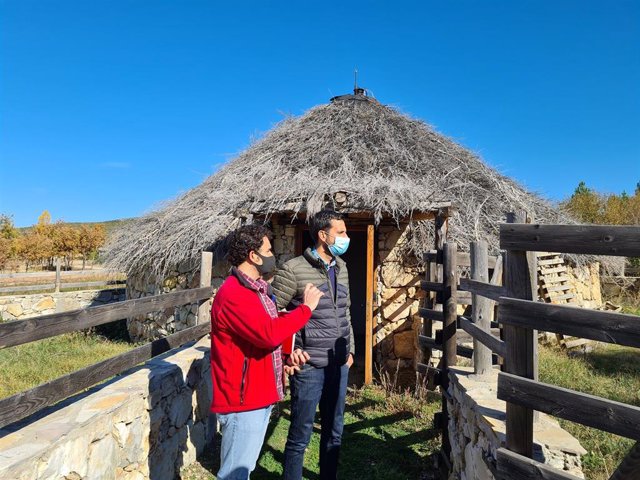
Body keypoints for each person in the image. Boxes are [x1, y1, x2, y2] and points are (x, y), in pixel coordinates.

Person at [209, 224, 323, 480]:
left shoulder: (256, 291)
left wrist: (285, 358)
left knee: (244, 470)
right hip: (242, 402)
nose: (273, 255)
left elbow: (260, 336)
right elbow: (268, 333)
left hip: (258, 396)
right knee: (234, 475)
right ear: (253, 255)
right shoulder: (234, 294)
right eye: (268, 250)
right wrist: (306, 309)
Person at [272, 210, 354, 480]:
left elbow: (346, 312)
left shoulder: (341, 268)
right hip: (308, 368)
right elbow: (273, 315)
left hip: (338, 364)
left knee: (334, 431)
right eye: (340, 232)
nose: (345, 237)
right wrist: (289, 351)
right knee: (300, 434)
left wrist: (350, 349)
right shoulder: (293, 269)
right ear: (323, 235)